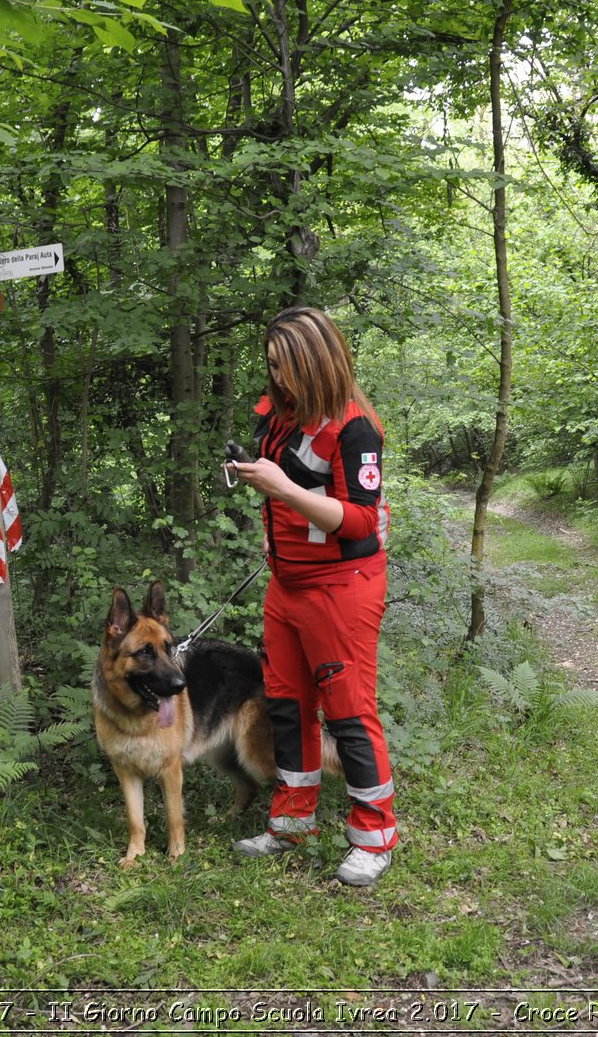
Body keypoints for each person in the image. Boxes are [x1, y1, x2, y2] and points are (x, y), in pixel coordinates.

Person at [227, 306, 397, 888]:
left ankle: (374, 837)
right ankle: (291, 823)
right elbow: (280, 477)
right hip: (287, 583)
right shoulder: (279, 413)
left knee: (349, 711)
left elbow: (357, 520)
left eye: (285, 366)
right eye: (271, 366)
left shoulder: (355, 428)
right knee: (287, 704)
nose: (276, 378)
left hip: (342, 587)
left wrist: (283, 486)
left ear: (315, 362)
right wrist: (254, 471)